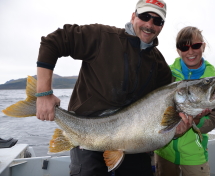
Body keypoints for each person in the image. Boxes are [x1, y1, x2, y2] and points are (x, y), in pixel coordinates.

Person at [35, 0, 193, 176]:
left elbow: (162, 118)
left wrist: (175, 131)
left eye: (157, 21)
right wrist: (43, 93)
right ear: (133, 16)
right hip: (85, 136)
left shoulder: (160, 67)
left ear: (162, 27)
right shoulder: (102, 37)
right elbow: (53, 41)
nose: (150, 24)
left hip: (134, 145)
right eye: (145, 16)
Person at [154, 26, 215, 176]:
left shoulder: (214, 85)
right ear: (178, 50)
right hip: (164, 153)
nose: (190, 52)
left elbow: (213, 120)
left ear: (203, 46)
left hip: (195, 156)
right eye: (184, 47)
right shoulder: (165, 74)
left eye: (196, 46)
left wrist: (197, 121)